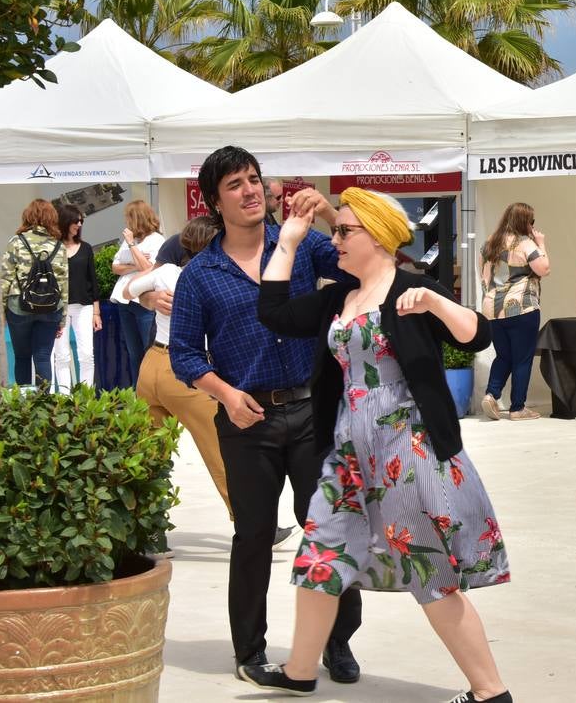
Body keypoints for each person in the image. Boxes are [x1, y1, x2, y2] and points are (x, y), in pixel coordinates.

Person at [241, 188, 511, 703]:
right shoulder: (338, 297)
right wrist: (290, 242)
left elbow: (478, 336)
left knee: (428, 570)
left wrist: (434, 300)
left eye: (344, 231)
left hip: (403, 452)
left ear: (378, 236)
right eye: (336, 230)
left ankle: (490, 692)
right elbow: (273, 312)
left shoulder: (412, 288)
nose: (335, 240)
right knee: (320, 555)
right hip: (347, 453)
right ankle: (300, 670)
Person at [169, 146, 363, 683]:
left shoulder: (299, 246)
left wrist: (328, 214)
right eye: (235, 184)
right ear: (214, 200)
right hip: (245, 422)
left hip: (312, 412)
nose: (251, 190)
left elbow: (363, 263)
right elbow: (185, 354)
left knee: (327, 527)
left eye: (254, 179)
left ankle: (337, 641)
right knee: (253, 535)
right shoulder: (200, 275)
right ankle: (249, 651)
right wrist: (227, 396)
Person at [127, 216, 232, 518]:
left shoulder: (169, 272)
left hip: (152, 365)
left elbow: (126, 290)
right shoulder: (215, 278)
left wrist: (151, 298)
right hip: (187, 371)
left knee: (148, 454)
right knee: (221, 449)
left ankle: (149, 527)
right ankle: (248, 518)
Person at [479, 202, 550, 421]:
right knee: (522, 358)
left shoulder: (490, 242)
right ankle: (518, 408)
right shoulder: (526, 244)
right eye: (531, 221)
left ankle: (491, 395)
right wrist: (541, 244)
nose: (532, 225)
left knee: (504, 356)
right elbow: (544, 269)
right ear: (524, 222)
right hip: (521, 307)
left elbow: (483, 275)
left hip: (492, 308)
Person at [0, 199, 68, 386]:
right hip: (50, 309)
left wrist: (0, 312)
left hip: (19, 308)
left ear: (27, 216)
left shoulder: (16, 242)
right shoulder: (59, 246)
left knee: (22, 356)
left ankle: (23, 408)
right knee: (43, 356)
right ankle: (44, 407)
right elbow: (63, 284)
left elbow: (5, 279)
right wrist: (62, 318)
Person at [110, 200, 164, 386]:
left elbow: (149, 268)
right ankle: (137, 393)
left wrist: (132, 246)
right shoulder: (128, 241)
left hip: (144, 302)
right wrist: (134, 264)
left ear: (137, 219)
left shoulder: (156, 240)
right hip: (125, 303)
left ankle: (152, 394)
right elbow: (115, 267)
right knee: (134, 352)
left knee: (148, 350)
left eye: (128, 218)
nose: (126, 222)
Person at [50, 203, 101, 390]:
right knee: (61, 355)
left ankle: (86, 397)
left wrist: (97, 313)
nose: (79, 224)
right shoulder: (53, 248)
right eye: (76, 220)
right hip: (58, 308)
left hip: (84, 306)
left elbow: (92, 280)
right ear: (65, 221)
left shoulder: (86, 248)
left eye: (81, 221)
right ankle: (64, 397)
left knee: (87, 354)